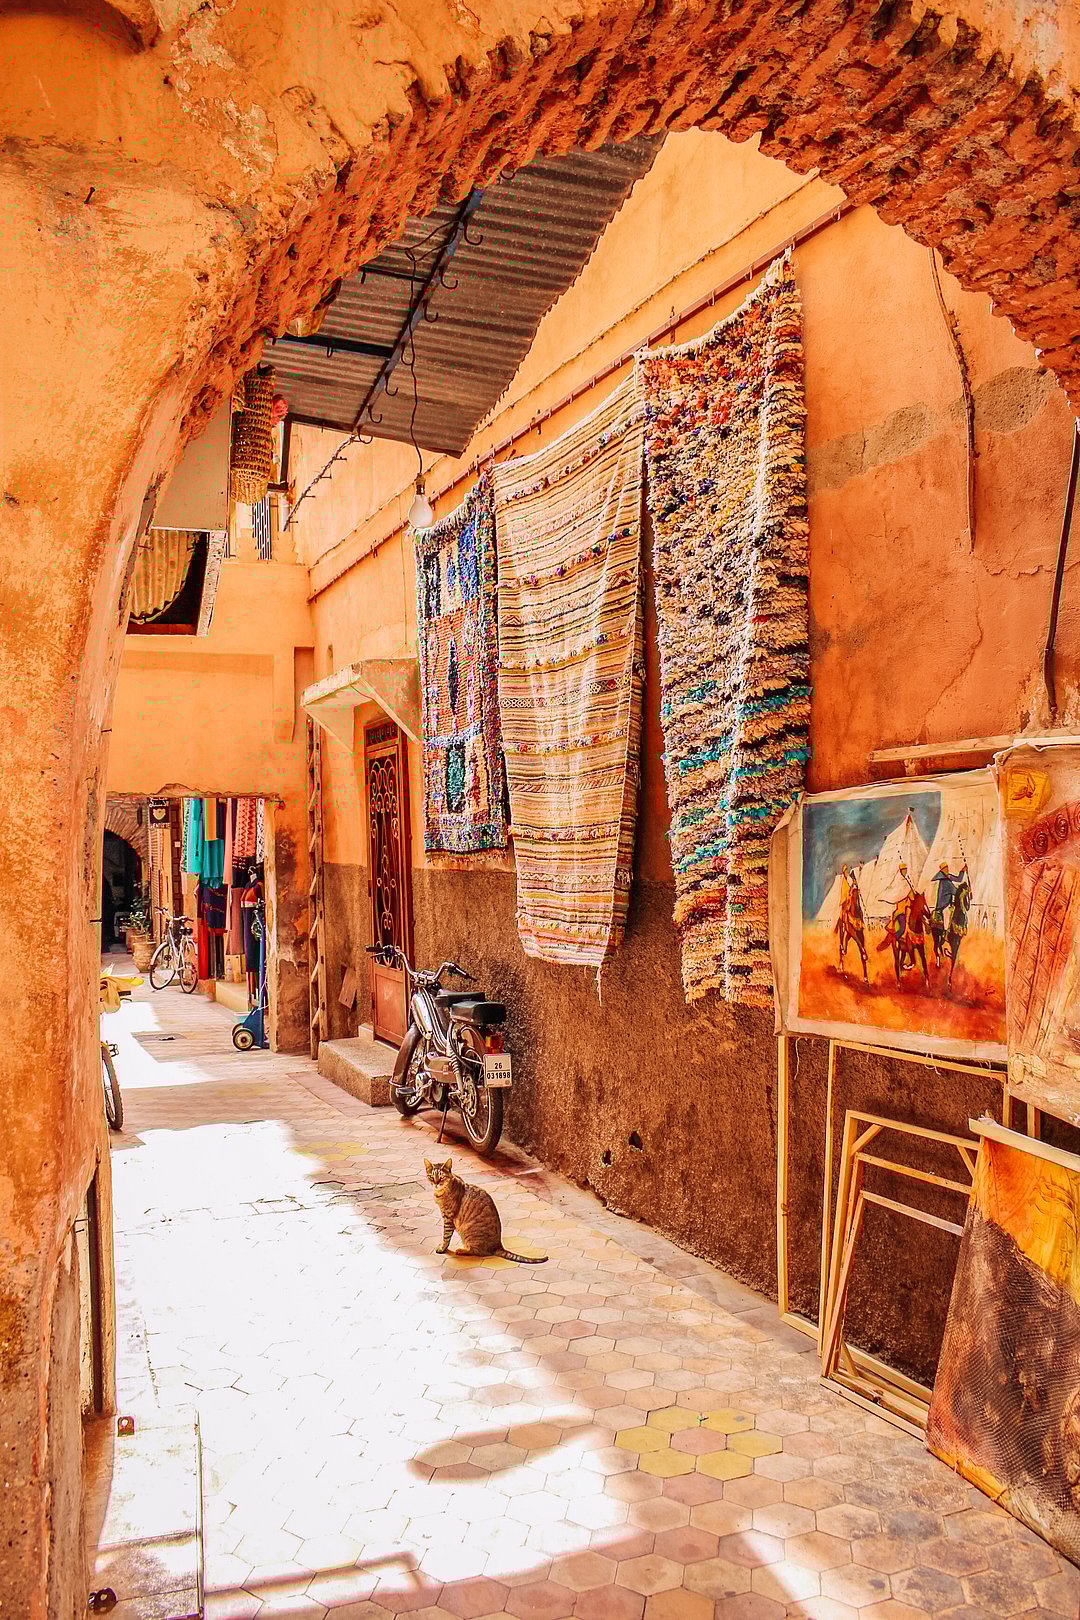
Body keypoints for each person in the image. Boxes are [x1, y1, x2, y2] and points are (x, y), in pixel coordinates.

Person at [240, 865, 263, 1008]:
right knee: (251, 959)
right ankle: (252, 1000)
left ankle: (260, 999)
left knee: (256, 958)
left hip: (256, 933)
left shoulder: (258, 887)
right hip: (249, 931)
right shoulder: (249, 885)